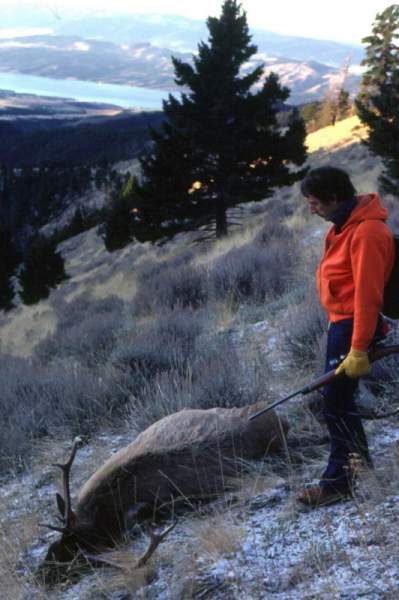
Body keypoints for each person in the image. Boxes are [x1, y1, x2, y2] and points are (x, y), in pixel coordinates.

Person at [298, 166, 395, 507]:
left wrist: (357, 348)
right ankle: (357, 467)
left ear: (334, 198)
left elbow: (368, 298)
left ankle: (339, 482)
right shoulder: (341, 226)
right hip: (341, 324)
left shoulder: (368, 233)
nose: (311, 209)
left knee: (335, 402)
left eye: (314, 203)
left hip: (355, 327)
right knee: (338, 401)